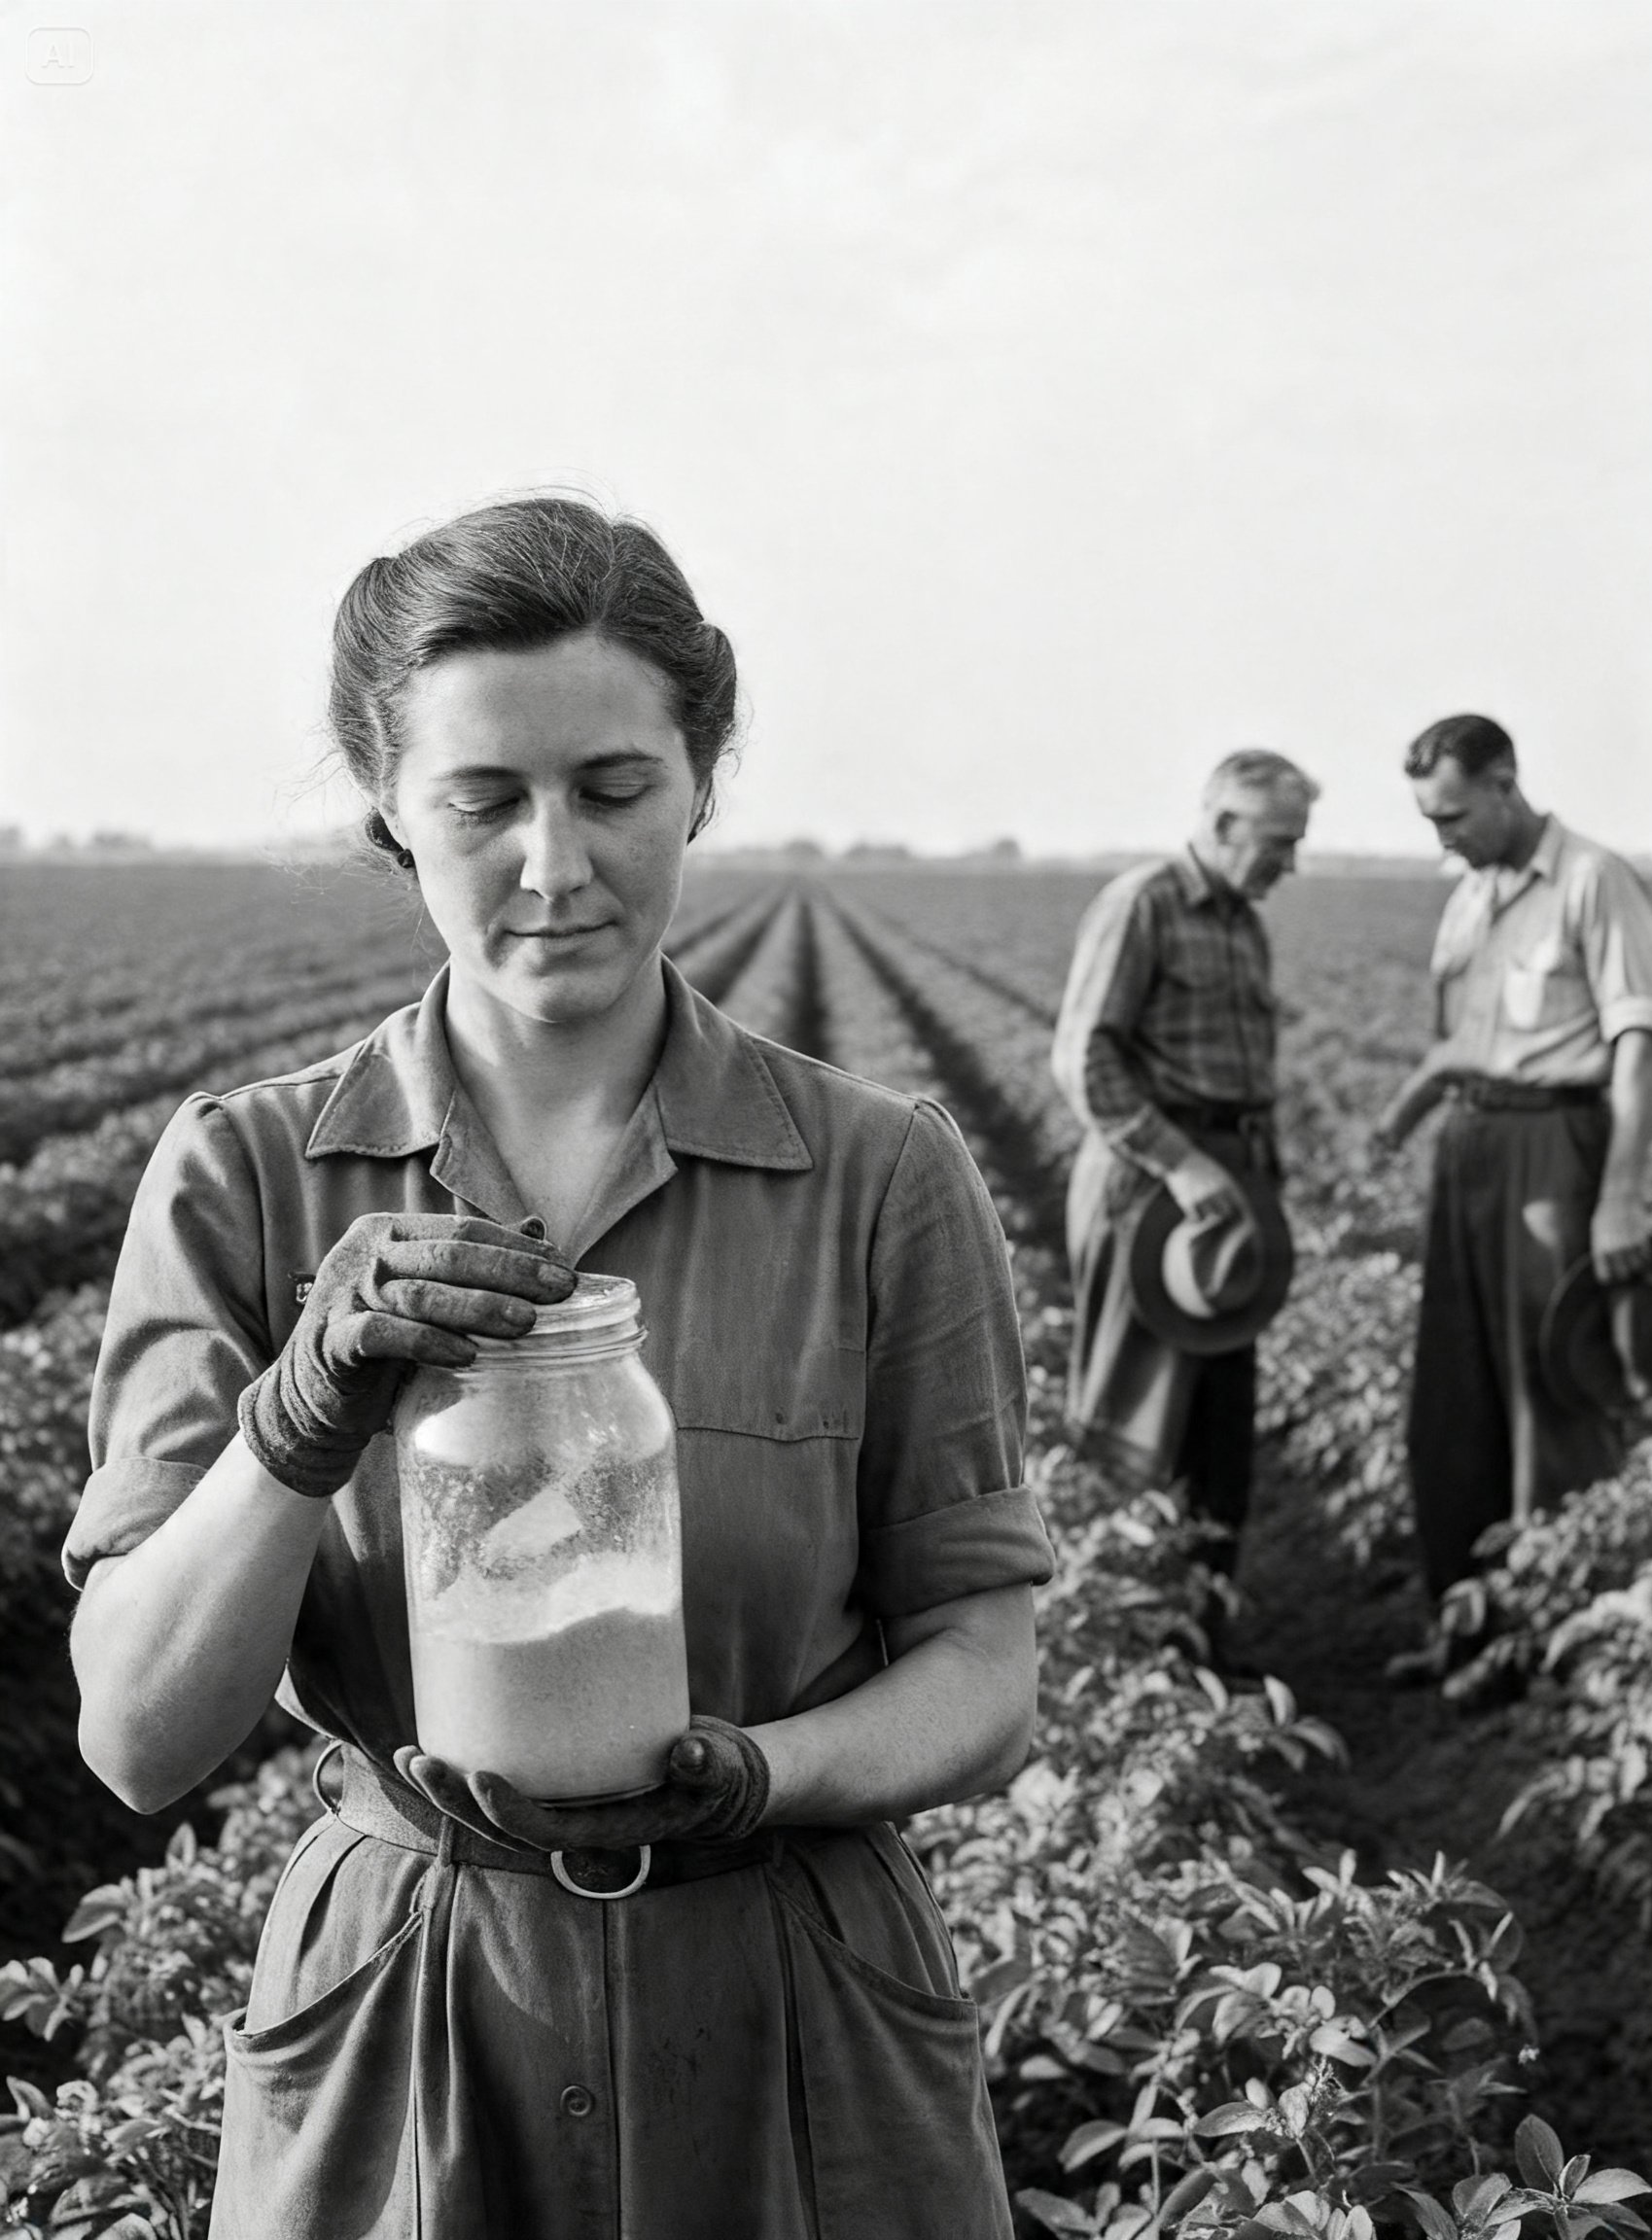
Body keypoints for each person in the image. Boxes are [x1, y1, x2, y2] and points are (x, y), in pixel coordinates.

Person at [65, 495, 1053, 2239]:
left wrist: (764, 1767)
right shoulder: (246, 1176)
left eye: (611, 787)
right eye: (482, 799)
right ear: (389, 807)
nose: (551, 862)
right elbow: (142, 1736)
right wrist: (301, 1416)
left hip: (790, 1995)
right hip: (417, 2002)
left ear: (700, 777)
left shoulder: (878, 1176)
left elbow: (980, 1656)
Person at [1373, 713, 1652, 1619]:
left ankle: (1557, 1629)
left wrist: (1619, 1198)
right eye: (1430, 819)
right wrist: (1398, 1127)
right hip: (1471, 1144)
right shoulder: (1469, 895)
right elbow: (1457, 1046)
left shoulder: (1594, 881)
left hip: (1555, 1148)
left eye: (1454, 815)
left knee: (1554, 1391)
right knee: (1455, 1389)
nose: (1444, 836)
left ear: (1506, 783)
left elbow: (1641, 1046)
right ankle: (1467, 1621)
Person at [1049, 750, 1317, 1568]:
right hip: (1155, 1191)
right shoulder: (1144, 905)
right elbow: (1083, 1059)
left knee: (1219, 1423)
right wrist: (1184, 1164)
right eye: (1279, 840)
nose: (1291, 862)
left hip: (1226, 1190)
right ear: (1224, 822)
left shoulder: (1244, 923)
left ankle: (1208, 1622)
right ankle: (1130, 1609)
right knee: (1139, 1421)